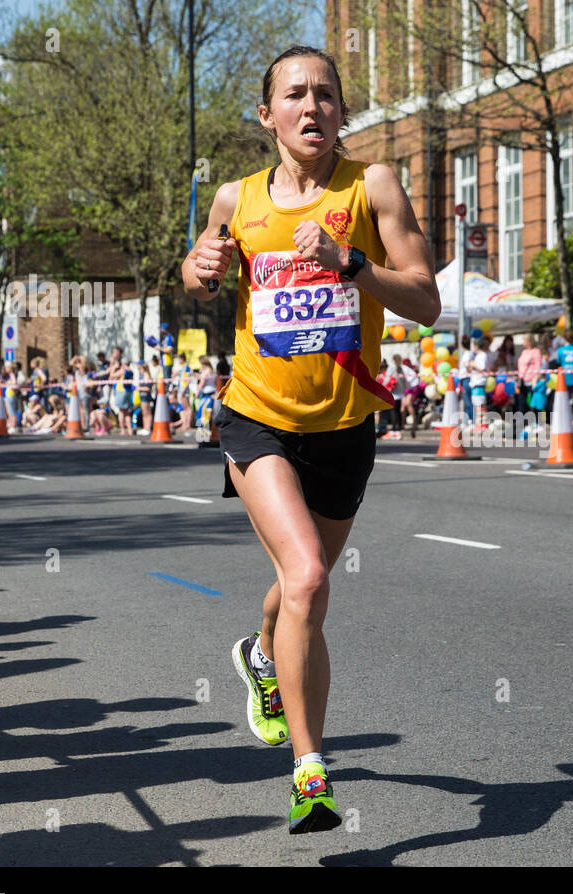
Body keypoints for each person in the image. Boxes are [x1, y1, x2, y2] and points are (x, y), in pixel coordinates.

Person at [185, 44, 439, 833]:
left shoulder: (374, 186)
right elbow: (201, 276)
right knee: (306, 580)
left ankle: (261, 656)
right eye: (294, 95)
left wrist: (352, 262)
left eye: (325, 95)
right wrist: (197, 266)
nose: (311, 108)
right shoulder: (237, 198)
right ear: (267, 115)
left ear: (342, 112)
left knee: (305, 586)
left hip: (344, 426)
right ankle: (309, 771)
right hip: (255, 414)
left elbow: (426, 299)